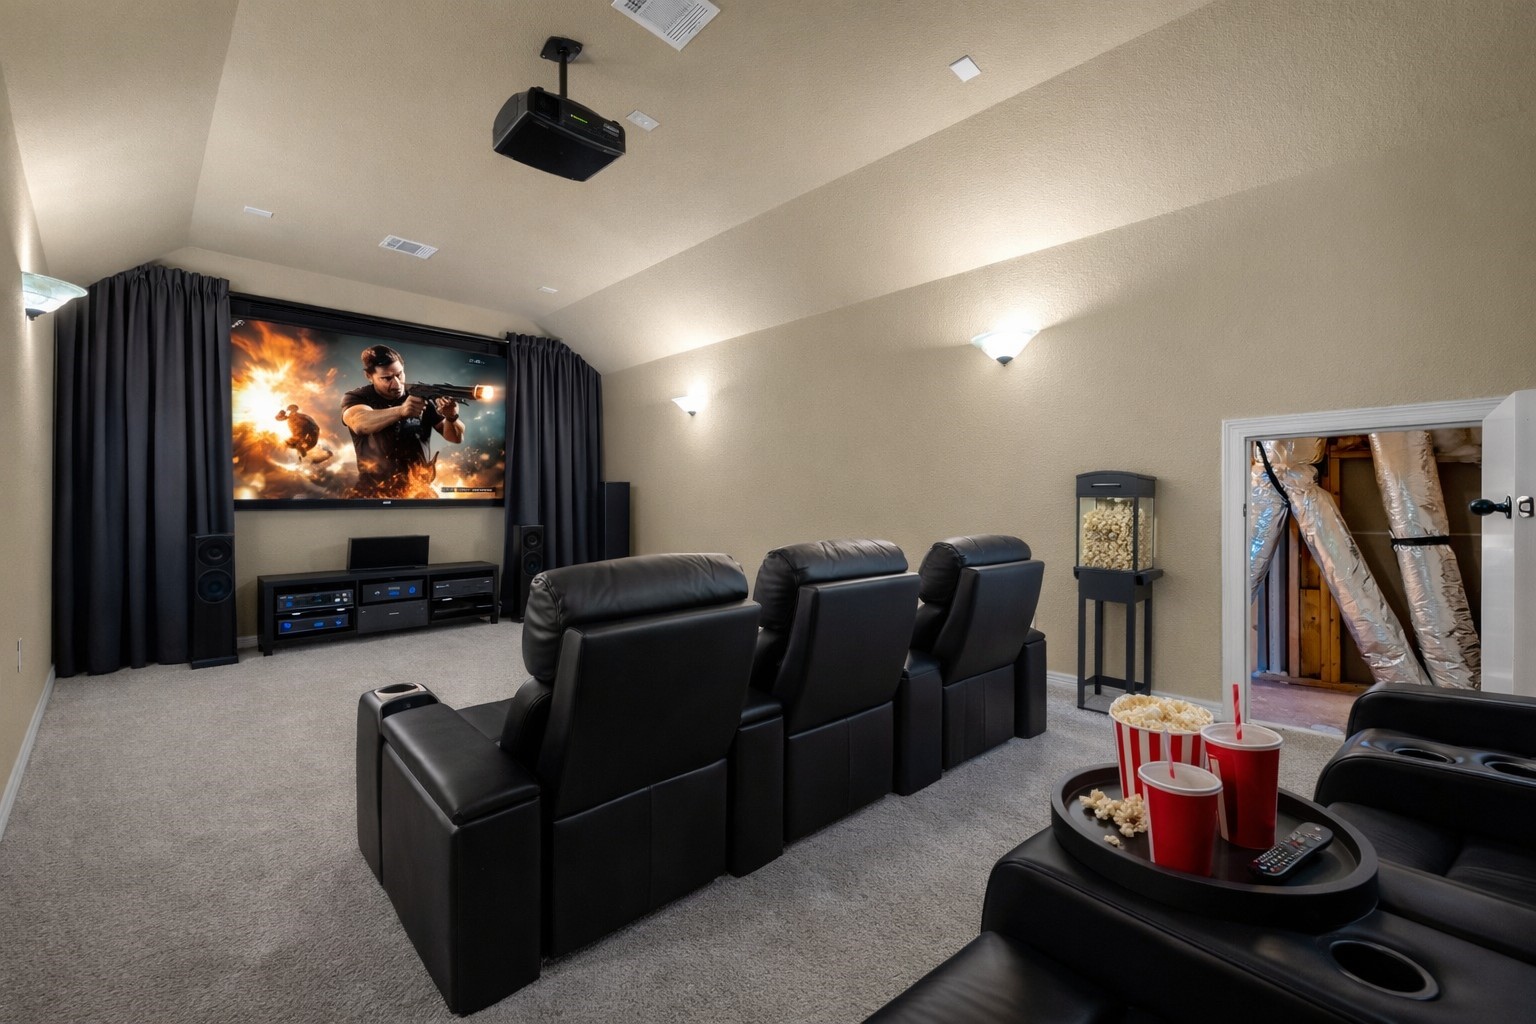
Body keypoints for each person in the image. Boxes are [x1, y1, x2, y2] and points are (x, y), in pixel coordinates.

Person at [341, 344, 464, 495]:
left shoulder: (419, 395)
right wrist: (401, 411)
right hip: (374, 492)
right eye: (387, 378)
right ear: (369, 376)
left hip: (418, 489)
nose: (397, 384)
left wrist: (451, 417)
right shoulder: (357, 397)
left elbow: (455, 438)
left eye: (399, 374)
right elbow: (359, 422)